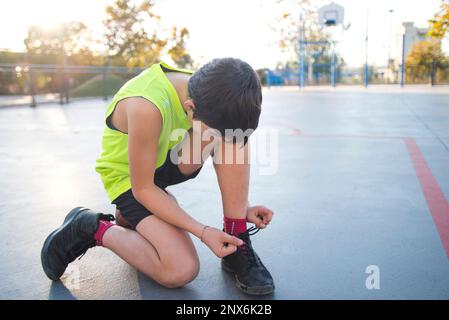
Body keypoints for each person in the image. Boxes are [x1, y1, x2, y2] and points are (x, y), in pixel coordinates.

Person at [41, 58, 275, 295]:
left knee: (234, 136)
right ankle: (91, 227)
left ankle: (237, 237)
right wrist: (203, 231)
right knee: (181, 269)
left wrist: (241, 206)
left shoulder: (209, 88)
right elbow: (143, 189)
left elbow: (229, 135)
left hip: (164, 162)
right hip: (131, 180)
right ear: (190, 107)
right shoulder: (146, 105)